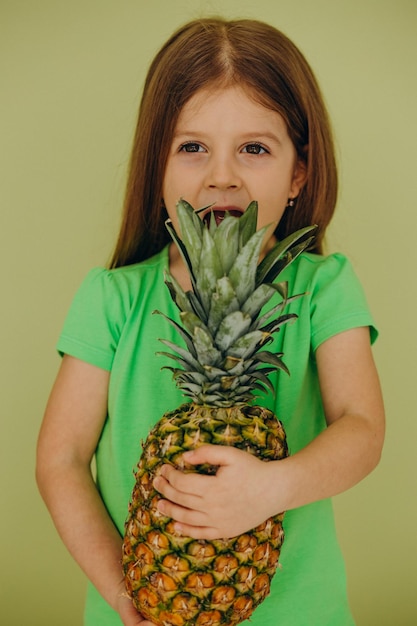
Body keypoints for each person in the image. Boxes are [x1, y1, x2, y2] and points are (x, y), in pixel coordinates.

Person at [36, 17, 385, 626]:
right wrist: (125, 591)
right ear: (159, 167)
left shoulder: (322, 288)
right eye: (192, 146)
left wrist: (273, 488)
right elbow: (60, 460)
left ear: (299, 173)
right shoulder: (113, 298)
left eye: (254, 148)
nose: (221, 175)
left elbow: (363, 429)